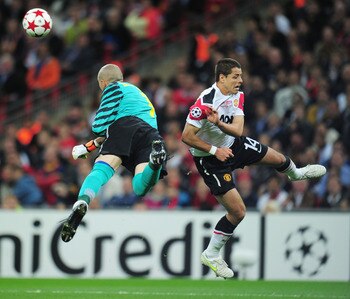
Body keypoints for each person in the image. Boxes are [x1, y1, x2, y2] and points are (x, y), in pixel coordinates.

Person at [181, 58, 326, 278]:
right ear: (222, 78)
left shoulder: (238, 96)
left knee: (278, 158)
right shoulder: (205, 102)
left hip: (233, 145)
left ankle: (296, 174)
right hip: (210, 159)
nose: (241, 80)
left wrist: (219, 123)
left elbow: (238, 131)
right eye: (235, 76)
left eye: (241, 75)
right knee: (238, 211)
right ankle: (211, 254)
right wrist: (213, 151)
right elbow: (186, 136)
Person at [60, 64, 167, 242]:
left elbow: (99, 126)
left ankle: (83, 201)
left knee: (101, 169)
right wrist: (88, 147)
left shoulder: (113, 88)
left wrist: (87, 147)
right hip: (151, 136)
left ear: (102, 82)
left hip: (125, 127)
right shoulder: (137, 93)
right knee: (139, 188)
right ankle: (154, 164)